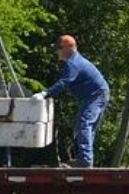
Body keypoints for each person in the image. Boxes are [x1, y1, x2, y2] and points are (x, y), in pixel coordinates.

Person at [33, 35, 109, 168]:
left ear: (69, 48)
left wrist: (45, 94)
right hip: (96, 95)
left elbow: (64, 82)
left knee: (84, 123)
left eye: (59, 48)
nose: (57, 51)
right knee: (86, 126)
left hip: (96, 95)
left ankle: (85, 161)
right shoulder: (75, 62)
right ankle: (85, 159)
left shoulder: (74, 63)